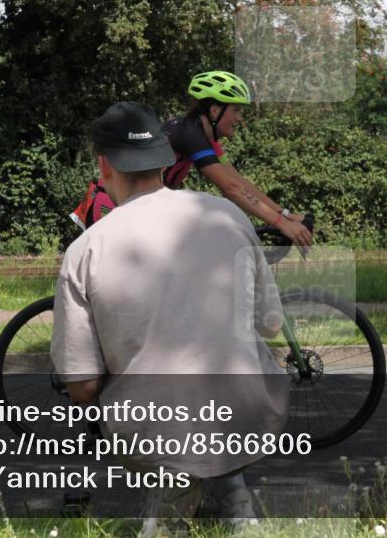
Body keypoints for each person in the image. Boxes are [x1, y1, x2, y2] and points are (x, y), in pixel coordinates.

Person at [51, 101, 290, 535]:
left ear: (104, 165)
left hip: (152, 428)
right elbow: (270, 323)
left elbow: (82, 387)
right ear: (164, 159)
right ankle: (233, 501)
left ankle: (172, 501)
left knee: (158, 397)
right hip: (249, 415)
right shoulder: (227, 215)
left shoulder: (85, 249)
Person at [69, 71, 312, 249]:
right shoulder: (189, 133)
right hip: (112, 203)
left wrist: (284, 214)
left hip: (141, 206)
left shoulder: (205, 137)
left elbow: (238, 181)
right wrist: (281, 223)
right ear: (215, 111)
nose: (240, 118)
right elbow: (230, 188)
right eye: (236, 110)